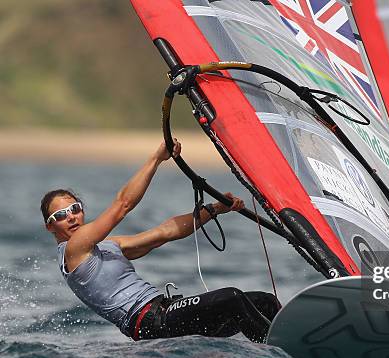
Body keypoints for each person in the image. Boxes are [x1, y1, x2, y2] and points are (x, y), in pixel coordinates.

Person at [41, 139, 280, 343]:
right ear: (50, 226)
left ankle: (283, 343)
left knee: (264, 302)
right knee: (232, 298)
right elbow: (122, 205)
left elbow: (165, 232)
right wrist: (156, 158)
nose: (71, 217)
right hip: (149, 321)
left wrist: (215, 209)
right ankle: (283, 352)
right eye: (60, 215)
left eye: (74, 208)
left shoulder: (106, 247)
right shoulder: (73, 249)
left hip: (166, 313)